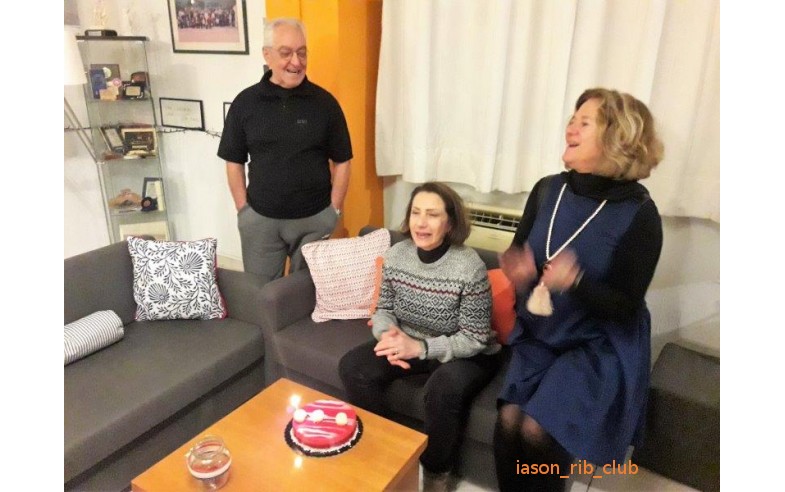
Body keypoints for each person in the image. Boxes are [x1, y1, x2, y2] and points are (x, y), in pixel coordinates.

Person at [493, 88, 665, 491]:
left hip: (597, 343)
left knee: (537, 429)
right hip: (545, 332)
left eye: (584, 123)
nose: (570, 127)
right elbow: (521, 252)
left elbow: (625, 307)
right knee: (508, 420)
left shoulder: (640, 214)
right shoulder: (547, 190)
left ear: (618, 138)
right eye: (572, 119)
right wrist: (520, 271)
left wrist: (576, 282)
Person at [338, 182, 502, 491]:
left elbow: (475, 338)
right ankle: (391, 453)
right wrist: (388, 336)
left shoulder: (470, 267)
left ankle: (436, 474)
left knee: (442, 389)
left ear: (450, 223)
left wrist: (421, 348)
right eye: (416, 213)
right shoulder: (396, 254)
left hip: (466, 351)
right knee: (353, 366)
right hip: (410, 340)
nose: (421, 223)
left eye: (432, 214)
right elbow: (384, 308)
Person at [218, 17, 352, 283]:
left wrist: (333, 211)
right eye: (286, 53)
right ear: (267, 55)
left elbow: (343, 160)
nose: (296, 62)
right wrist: (244, 211)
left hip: (315, 220)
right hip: (260, 221)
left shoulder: (325, 104)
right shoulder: (245, 103)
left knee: (307, 295)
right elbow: (233, 160)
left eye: (302, 53)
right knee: (262, 294)